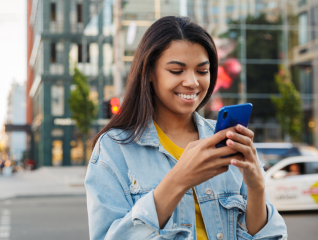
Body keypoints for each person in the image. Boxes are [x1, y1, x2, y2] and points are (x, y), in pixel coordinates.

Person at [85, 16, 287, 240]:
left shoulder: (226, 140)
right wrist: (178, 180)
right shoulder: (115, 148)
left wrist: (256, 187)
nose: (192, 82)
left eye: (202, 71)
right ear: (150, 73)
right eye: (176, 71)